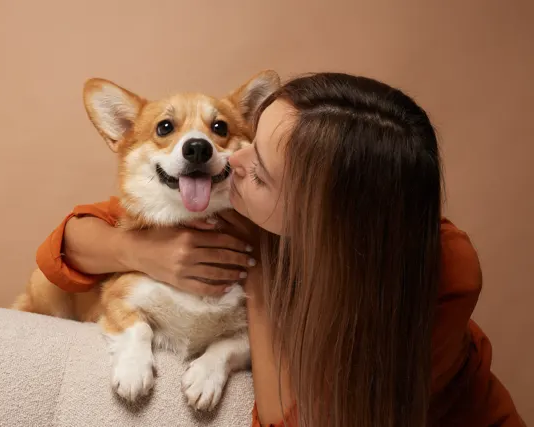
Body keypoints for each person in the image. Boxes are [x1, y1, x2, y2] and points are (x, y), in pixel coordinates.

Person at [35, 73, 523, 427]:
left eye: (260, 167)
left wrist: (258, 274)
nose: (230, 156)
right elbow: (67, 243)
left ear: (317, 214)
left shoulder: (438, 276)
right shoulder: (226, 200)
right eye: (251, 137)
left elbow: (292, 416)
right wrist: (143, 253)